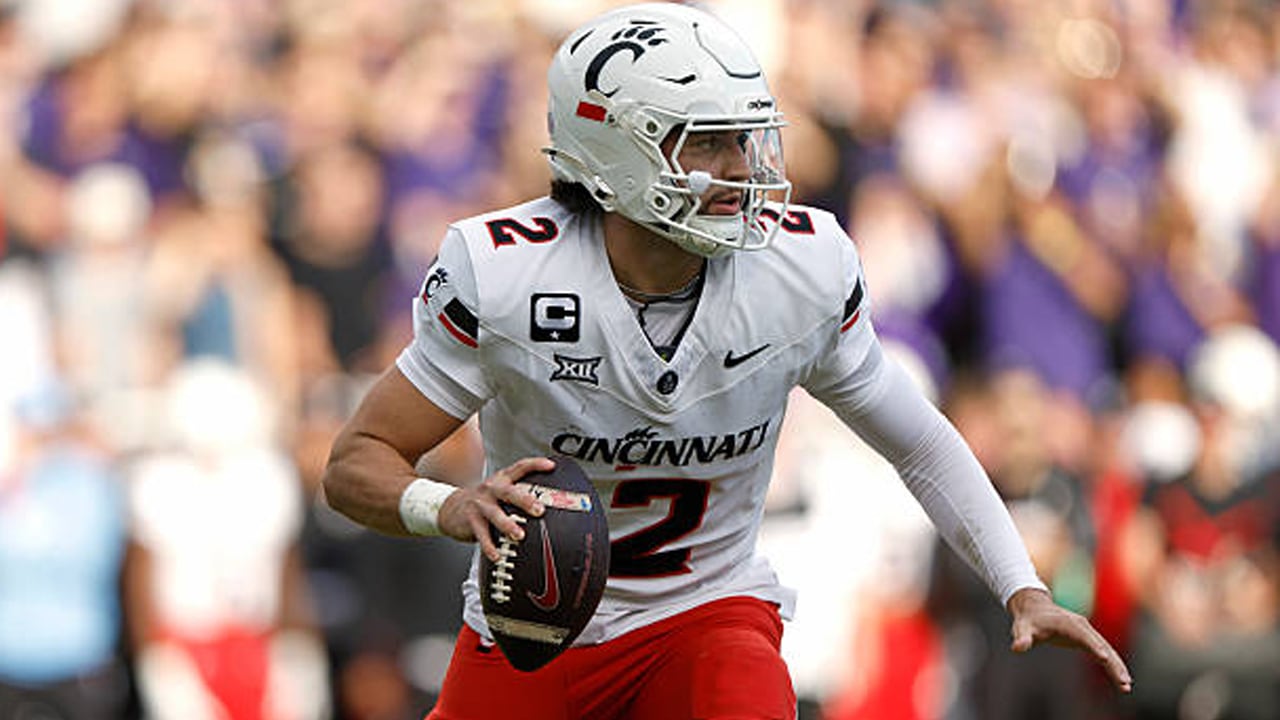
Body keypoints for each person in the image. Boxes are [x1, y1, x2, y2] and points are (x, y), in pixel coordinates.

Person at [322, 4, 1132, 718]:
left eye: (746, 137)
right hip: (535, 626)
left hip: (706, 614)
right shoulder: (508, 277)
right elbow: (357, 462)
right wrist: (447, 506)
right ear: (613, 153)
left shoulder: (799, 270)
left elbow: (917, 442)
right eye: (707, 142)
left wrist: (1021, 585)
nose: (744, 166)